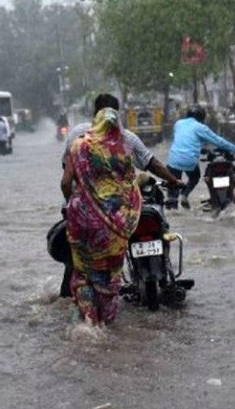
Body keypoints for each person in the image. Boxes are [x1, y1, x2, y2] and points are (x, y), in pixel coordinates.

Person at [58, 93, 183, 299]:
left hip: (86, 215)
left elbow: (66, 180)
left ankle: (71, 301)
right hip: (120, 215)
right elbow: (152, 164)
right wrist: (174, 180)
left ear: (94, 114)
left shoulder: (79, 140)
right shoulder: (127, 139)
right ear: (118, 114)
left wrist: (73, 204)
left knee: (78, 262)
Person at [59, 107, 141, 326]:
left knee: (83, 271)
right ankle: (104, 325)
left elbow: (66, 182)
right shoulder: (123, 150)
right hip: (114, 223)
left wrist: (73, 203)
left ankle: (87, 320)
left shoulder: (79, 145)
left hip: (80, 219)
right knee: (109, 274)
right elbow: (129, 185)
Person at [166, 106, 235, 210]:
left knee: (173, 185)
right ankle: (184, 195)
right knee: (194, 177)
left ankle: (172, 205)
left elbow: (185, 141)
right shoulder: (200, 127)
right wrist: (234, 148)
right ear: (201, 117)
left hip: (173, 158)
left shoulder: (178, 124)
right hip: (189, 159)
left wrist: (201, 149)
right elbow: (217, 140)